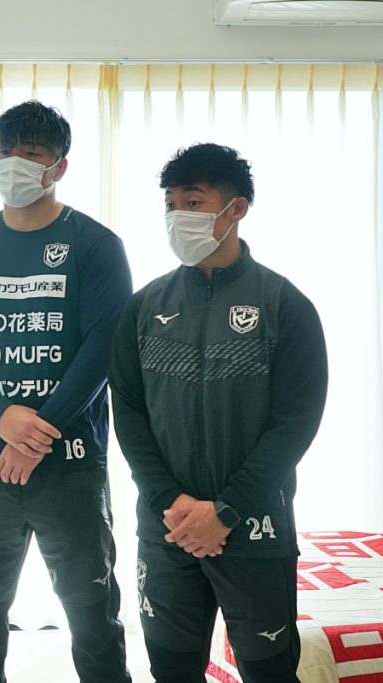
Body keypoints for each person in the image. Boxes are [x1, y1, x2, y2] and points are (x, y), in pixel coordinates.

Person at [108, 143, 328, 682]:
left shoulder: (285, 305)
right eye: (170, 204)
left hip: (255, 529)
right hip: (168, 528)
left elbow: (296, 423)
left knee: (269, 672)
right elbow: (129, 412)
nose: (177, 215)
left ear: (237, 209)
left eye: (193, 201)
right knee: (171, 670)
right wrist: (170, 500)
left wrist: (226, 510)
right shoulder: (143, 308)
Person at [0, 100, 133, 683]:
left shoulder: (95, 245)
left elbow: (102, 349)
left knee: (93, 615)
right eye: (5, 152)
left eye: (31, 154)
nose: (14, 163)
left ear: (59, 166)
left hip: (70, 466)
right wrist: (2, 418)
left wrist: (34, 436)